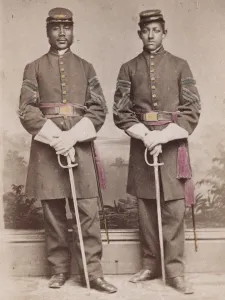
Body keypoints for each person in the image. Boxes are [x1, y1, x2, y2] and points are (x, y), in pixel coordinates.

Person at [18, 7, 117, 293]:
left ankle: (93, 274)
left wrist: (72, 137)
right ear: (47, 31)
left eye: (67, 28)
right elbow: (26, 110)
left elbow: (99, 110)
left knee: (87, 210)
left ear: (73, 31)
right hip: (47, 150)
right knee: (53, 212)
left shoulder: (87, 67)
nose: (62, 34)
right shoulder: (33, 67)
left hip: (80, 147)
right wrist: (55, 138)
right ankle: (59, 270)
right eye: (56, 28)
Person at [113, 9, 200, 294]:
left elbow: (192, 109)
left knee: (174, 209)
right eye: (146, 30)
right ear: (140, 33)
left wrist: (165, 136)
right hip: (142, 144)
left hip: (172, 145)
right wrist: (146, 135)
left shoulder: (180, 65)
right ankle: (150, 265)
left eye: (156, 30)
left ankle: (175, 272)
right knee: (146, 208)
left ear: (164, 32)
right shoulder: (128, 68)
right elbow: (120, 112)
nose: (151, 35)